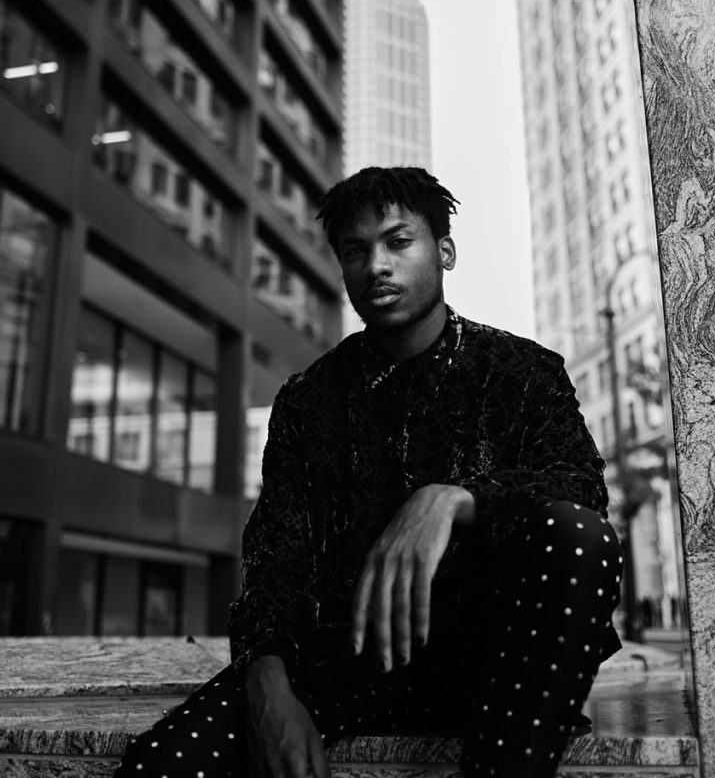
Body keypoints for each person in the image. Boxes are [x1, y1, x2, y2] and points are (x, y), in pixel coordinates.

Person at [116, 166, 622, 778]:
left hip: (497, 655)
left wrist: (455, 499)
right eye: (355, 251)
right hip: (349, 659)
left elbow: (582, 490)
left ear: (444, 251)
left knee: (580, 536)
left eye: (397, 242)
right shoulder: (308, 400)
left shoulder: (522, 370)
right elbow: (276, 561)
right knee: (159, 766)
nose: (376, 266)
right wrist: (268, 684)